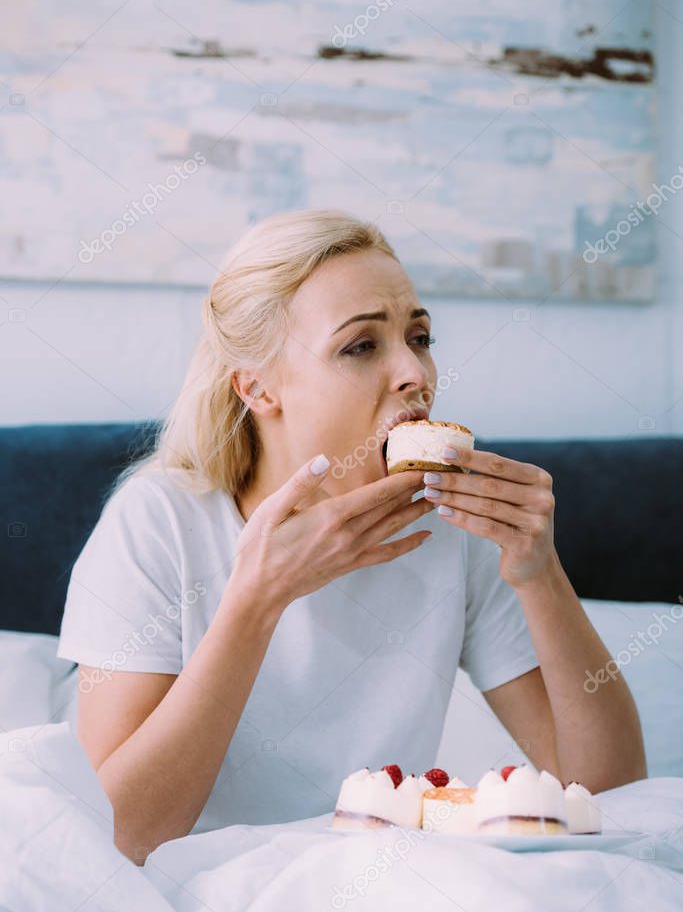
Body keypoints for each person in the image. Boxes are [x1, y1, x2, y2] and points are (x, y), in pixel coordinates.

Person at [57, 209, 646, 864]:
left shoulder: (457, 524)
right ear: (258, 387)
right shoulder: (159, 522)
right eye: (361, 346)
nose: (415, 373)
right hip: (197, 885)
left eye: (419, 336)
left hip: (379, 881)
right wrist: (257, 601)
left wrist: (540, 573)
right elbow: (117, 838)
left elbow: (608, 793)